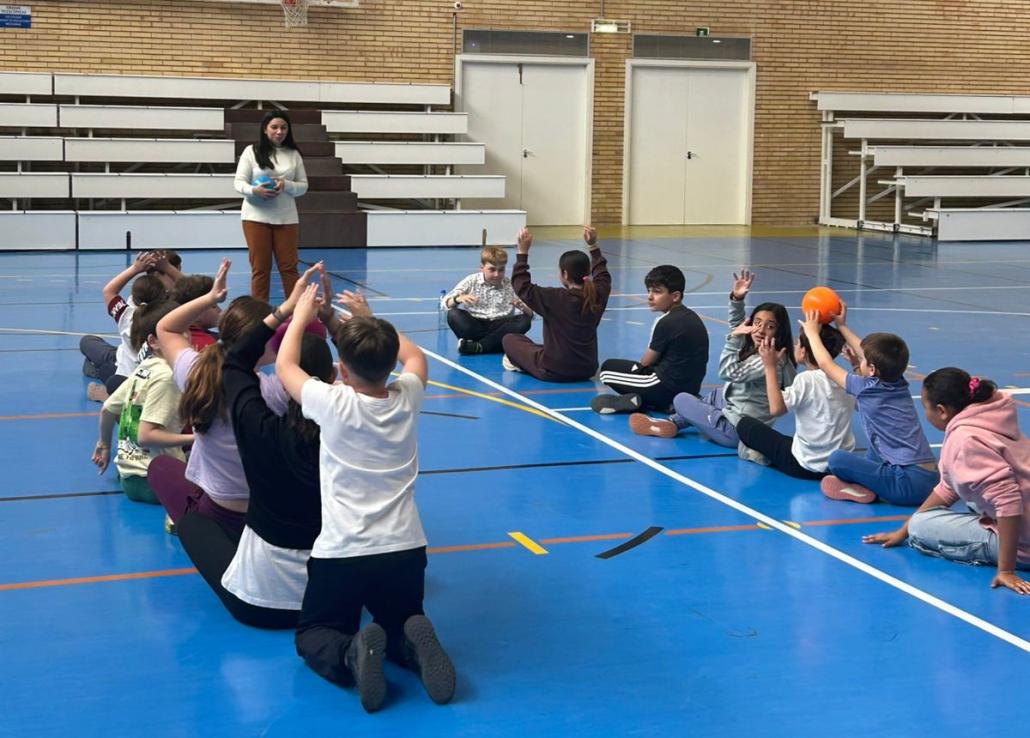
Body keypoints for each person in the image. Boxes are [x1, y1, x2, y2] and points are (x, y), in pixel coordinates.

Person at [277, 284, 455, 713]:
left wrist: (300, 315)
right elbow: (416, 358)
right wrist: (369, 319)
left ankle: (351, 653)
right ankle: (409, 639)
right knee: (398, 620)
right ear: (390, 364)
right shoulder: (407, 397)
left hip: (343, 552)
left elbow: (285, 365)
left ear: (340, 370)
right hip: (405, 550)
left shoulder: (332, 401)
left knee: (315, 632)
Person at [176, 269, 334, 628]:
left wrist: (285, 311)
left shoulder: (254, 427)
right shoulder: (334, 424)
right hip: (330, 598)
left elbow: (169, 331)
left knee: (187, 517)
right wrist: (327, 321)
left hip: (255, 597)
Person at [151, 259, 293, 535]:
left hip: (217, 510)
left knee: (160, 467)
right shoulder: (278, 391)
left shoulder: (196, 373)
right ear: (262, 343)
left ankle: (203, 532)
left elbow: (165, 328)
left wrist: (210, 298)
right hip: (268, 513)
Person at [863, 369, 1030, 594]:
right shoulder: (991, 416)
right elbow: (948, 487)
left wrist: (1006, 570)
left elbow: (1008, 502)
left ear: (941, 411)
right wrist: (902, 531)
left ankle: (1011, 553)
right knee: (926, 517)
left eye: (925, 406)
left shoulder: (965, 440)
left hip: (1024, 544)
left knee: (921, 528)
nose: (924, 412)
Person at [629, 269, 797, 461]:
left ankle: (680, 422)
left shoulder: (767, 361)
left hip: (736, 430)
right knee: (719, 394)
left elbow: (728, 372)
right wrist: (737, 299)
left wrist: (733, 340)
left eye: (770, 326)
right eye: (757, 323)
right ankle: (673, 423)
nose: (760, 329)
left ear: (779, 332)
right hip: (739, 413)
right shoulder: (773, 353)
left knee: (681, 399)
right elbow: (739, 327)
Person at [799, 305, 938, 505]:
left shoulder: (866, 388)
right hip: (930, 479)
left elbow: (826, 364)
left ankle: (867, 487)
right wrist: (842, 326)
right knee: (875, 447)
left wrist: (812, 334)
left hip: (906, 485)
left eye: (864, 359)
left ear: (871, 369)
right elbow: (867, 351)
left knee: (836, 460)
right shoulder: (899, 382)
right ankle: (867, 485)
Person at [91, 300, 193, 504]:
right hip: (154, 481)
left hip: (128, 475)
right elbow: (146, 436)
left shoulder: (145, 368)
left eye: (186, 330)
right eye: (177, 333)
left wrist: (104, 444)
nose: (186, 337)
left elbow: (107, 409)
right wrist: (195, 439)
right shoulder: (167, 376)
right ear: (153, 342)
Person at [735, 323, 856, 479]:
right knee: (788, 440)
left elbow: (776, 409)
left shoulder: (806, 379)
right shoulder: (846, 379)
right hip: (839, 464)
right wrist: (856, 365)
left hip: (805, 466)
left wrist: (770, 367)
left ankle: (765, 458)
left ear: (804, 352)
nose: (795, 346)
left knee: (745, 425)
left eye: (798, 343)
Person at [591, 264, 708, 414]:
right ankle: (663, 402)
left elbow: (646, 362)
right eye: (649, 291)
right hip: (691, 389)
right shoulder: (692, 316)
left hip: (665, 387)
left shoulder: (666, 322)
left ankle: (654, 402)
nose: (650, 297)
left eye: (657, 292)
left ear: (675, 296)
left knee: (607, 370)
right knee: (627, 368)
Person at [501, 225, 611, 382]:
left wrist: (522, 252)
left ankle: (521, 363)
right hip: (588, 369)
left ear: (565, 274)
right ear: (587, 272)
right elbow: (603, 275)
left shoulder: (555, 297)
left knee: (510, 339)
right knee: (539, 348)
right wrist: (593, 245)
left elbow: (521, 285)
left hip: (554, 370)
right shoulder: (598, 294)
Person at [81, 251, 178, 402]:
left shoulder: (127, 312)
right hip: (132, 364)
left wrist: (135, 268)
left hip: (128, 370)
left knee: (95, 352)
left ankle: (100, 378)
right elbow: (195, 291)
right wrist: (168, 268)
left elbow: (109, 291)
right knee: (98, 351)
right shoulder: (172, 312)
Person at [234, 109, 308, 302]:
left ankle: (295, 310)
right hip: (255, 218)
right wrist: (254, 190)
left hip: (287, 218)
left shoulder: (294, 154)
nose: (279, 131)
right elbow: (238, 182)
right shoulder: (251, 151)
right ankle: (258, 313)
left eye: (283, 127)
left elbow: (303, 186)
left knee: (289, 267)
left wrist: (286, 185)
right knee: (260, 269)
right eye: (274, 127)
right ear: (265, 129)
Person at [441, 244, 533, 355]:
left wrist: (524, 308)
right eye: (492, 270)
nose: (497, 274)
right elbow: (445, 303)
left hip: (501, 326)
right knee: (453, 314)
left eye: (501, 270)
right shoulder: (471, 280)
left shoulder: (510, 284)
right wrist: (457, 299)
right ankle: (495, 345)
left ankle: (478, 346)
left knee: (524, 321)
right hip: (476, 325)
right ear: (482, 268)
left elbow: (531, 314)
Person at [169, 274, 220, 350]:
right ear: (196, 313)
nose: (219, 310)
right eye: (214, 306)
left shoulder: (168, 339)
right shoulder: (216, 343)